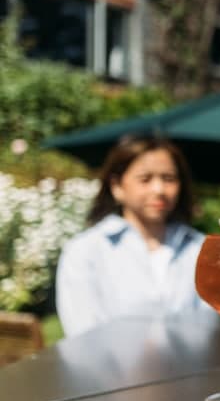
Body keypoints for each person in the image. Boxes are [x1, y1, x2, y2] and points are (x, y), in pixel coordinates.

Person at [56, 135, 207, 337]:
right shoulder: (85, 251)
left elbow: (213, 328)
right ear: (117, 186)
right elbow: (84, 333)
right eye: (145, 179)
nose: (159, 189)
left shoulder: (200, 248)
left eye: (169, 179)